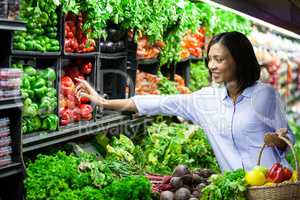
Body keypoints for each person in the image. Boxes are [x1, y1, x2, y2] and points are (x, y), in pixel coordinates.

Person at [75, 31, 295, 172]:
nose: (212, 66)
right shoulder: (206, 99)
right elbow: (158, 103)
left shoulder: (265, 95)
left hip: (275, 186)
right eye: (210, 59)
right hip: (238, 190)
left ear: (239, 59)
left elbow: (288, 139)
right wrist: (102, 102)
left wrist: (279, 140)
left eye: (219, 59)